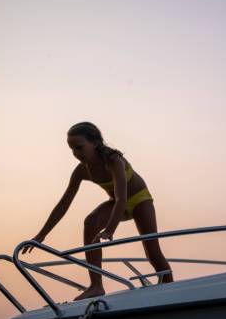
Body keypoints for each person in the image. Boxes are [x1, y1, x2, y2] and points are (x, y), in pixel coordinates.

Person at [22, 122, 173, 300]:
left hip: (139, 199)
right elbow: (64, 203)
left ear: (94, 142)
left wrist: (110, 229)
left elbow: (122, 198)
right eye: (72, 149)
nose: (76, 154)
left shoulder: (114, 160)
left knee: (152, 252)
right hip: (115, 203)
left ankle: (170, 287)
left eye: (79, 147)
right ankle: (96, 285)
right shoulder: (81, 171)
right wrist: (41, 235)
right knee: (90, 221)